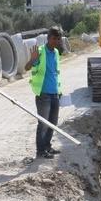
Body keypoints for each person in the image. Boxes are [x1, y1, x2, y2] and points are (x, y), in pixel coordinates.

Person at [25, 26, 64, 159]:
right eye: (53, 38)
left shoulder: (56, 53)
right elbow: (27, 67)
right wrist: (32, 59)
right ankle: (40, 151)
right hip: (43, 94)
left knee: (53, 123)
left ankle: (47, 146)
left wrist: (59, 90)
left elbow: (55, 73)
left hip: (54, 94)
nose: (56, 41)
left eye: (58, 39)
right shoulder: (40, 51)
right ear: (48, 38)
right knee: (43, 123)